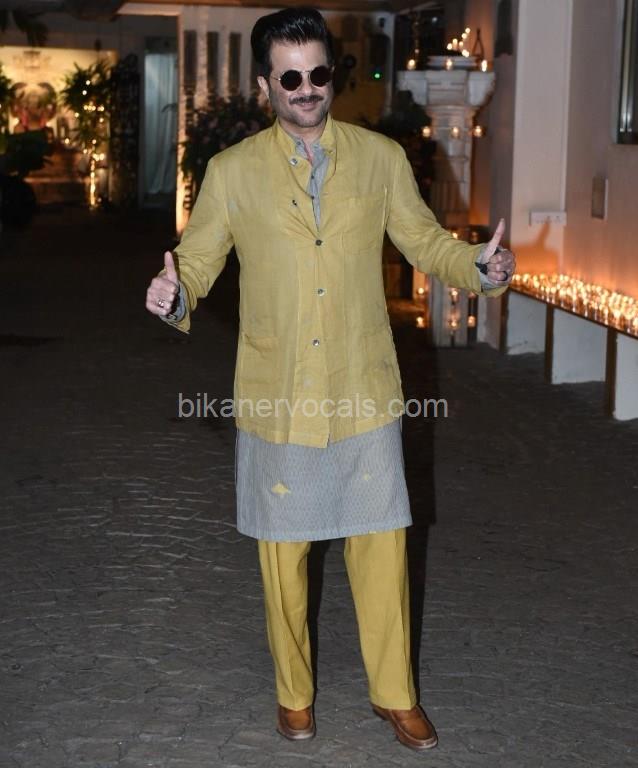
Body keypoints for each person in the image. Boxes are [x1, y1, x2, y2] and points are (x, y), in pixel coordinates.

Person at [145, 7, 515, 752]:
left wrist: (480, 267)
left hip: (362, 385)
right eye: (291, 78)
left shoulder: (379, 159)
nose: (308, 89)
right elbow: (200, 262)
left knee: (381, 547)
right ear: (265, 86)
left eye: (318, 73)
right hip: (278, 391)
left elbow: (424, 242)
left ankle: (396, 695)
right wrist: (174, 293)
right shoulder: (232, 172)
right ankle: (294, 695)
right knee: (282, 557)